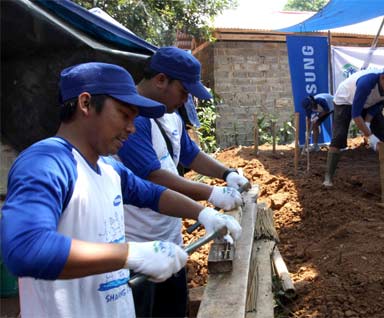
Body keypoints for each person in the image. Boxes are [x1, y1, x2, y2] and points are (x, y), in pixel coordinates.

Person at [0, 62, 242, 318]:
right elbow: (24, 249)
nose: (131, 128)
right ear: (85, 104)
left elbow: (152, 194)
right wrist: (131, 254)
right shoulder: (46, 163)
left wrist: (205, 214)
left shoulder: (108, 169)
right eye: (124, 115)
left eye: (135, 118)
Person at [117, 47, 250, 317]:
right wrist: (210, 195)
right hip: (138, 246)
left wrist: (227, 174)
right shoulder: (131, 120)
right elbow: (153, 177)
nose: (186, 99)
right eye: (184, 91)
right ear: (161, 80)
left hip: (169, 239)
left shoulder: (170, 115)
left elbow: (190, 154)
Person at [323, 62, 384, 187]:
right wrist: (371, 137)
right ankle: (328, 178)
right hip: (345, 100)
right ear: (383, 78)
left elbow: (379, 104)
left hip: (369, 104)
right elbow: (356, 114)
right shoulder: (366, 84)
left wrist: (367, 121)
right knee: (339, 137)